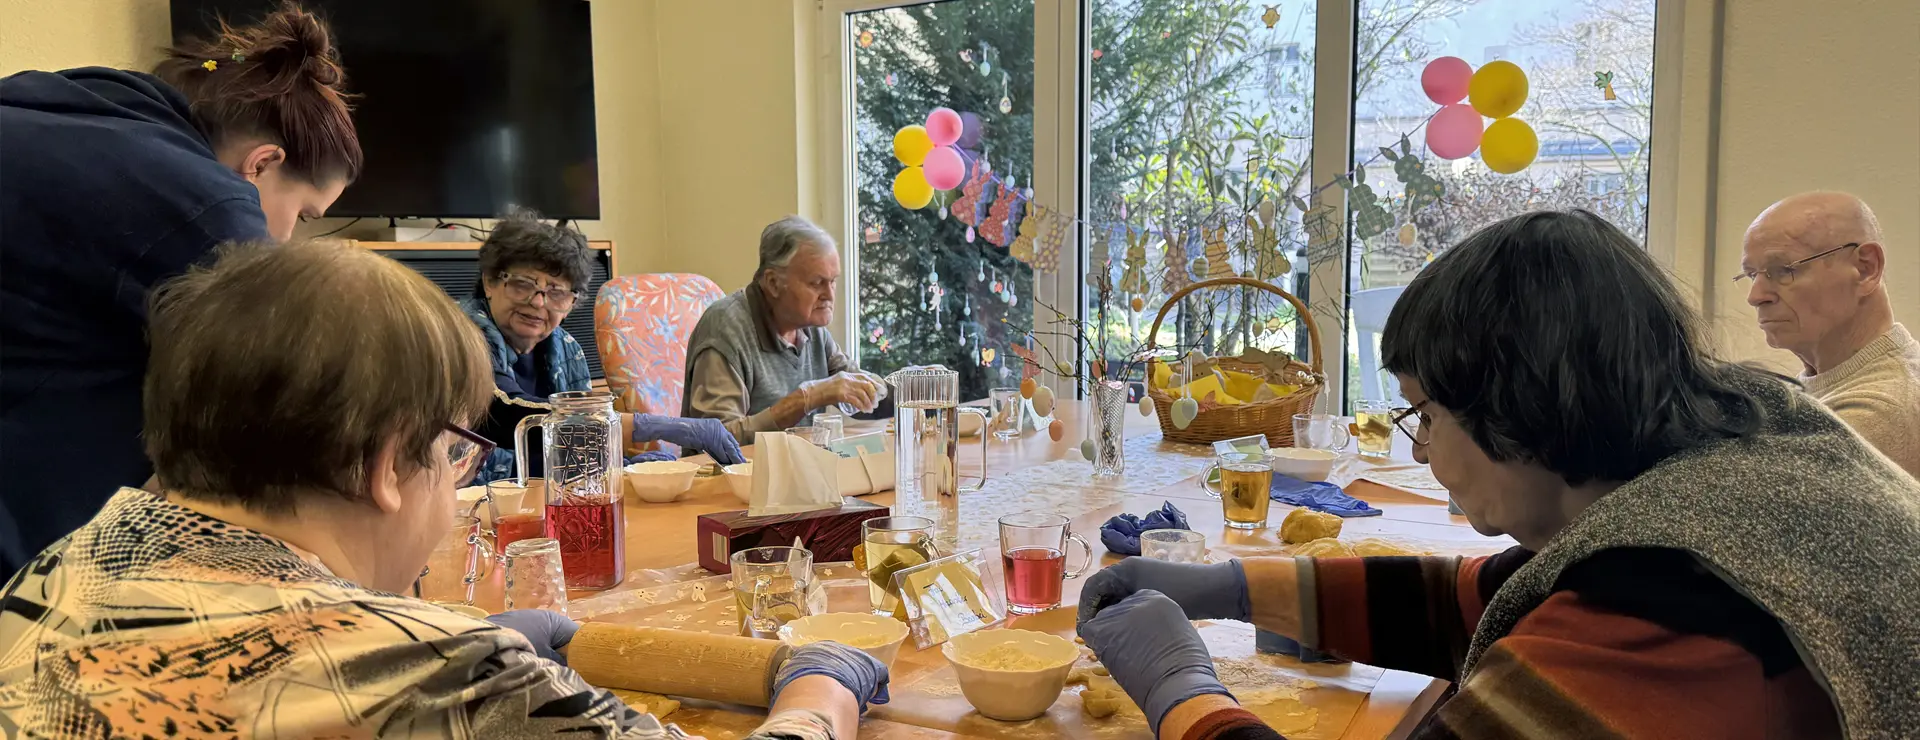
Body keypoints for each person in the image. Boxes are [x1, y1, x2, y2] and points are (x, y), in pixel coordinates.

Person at [1076, 210, 1920, 739]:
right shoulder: (1731, 463)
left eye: (1427, 414)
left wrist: (1182, 692)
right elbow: (1474, 601)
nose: (1418, 448)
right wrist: (1228, 587)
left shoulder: (1671, 602)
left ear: (1518, 407)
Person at [0, 240, 888, 738]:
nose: (462, 467)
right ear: (389, 466)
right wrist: (821, 687)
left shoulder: (51, 575)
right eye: (460, 449)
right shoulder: (435, 676)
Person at [0, 4, 361, 574]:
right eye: (305, 215)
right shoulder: (204, 202)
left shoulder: (86, 104)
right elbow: (319, 378)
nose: (289, 239)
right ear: (263, 163)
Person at [463, 209, 742, 483]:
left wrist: (622, 465)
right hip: (476, 509)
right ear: (490, 282)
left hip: (548, 501)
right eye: (523, 285)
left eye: (556, 292)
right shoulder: (459, 336)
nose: (538, 302)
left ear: (571, 304)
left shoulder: (567, 350)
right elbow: (506, 413)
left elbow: (577, 442)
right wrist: (647, 426)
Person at [1743, 191, 1919, 476]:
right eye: (1752, 274)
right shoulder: (1832, 383)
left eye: (1782, 269)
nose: (1756, 296)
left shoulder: (1876, 412)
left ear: (1865, 269)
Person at [684, 216, 883, 443]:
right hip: (732, 476)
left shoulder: (810, 326)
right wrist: (806, 398)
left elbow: (862, 390)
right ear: (773, 283)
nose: (829, 295)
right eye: (816, 283)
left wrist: (921, 386)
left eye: (833, 281)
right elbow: (715, 439)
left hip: (796, 471)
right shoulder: (724, 329)